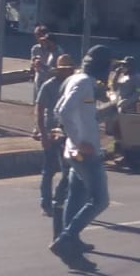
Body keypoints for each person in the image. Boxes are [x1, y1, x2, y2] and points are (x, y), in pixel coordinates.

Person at [49, 45, 114, 259]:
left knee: (76, 195)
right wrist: (78, 141)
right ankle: (66, 238)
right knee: (100, 200)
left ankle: (72, 240)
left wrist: (103, 112)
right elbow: (63, 110)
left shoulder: (78, 80)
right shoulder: (85, 83)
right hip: (84, 152)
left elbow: (80, 111)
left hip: (75, 152)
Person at [35, 53, 76, 221]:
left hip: (67, 132)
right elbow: (39, 110)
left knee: (67, 170)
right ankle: (46, 203)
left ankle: (59, 198)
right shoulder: (48, 85)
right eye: (66, 70)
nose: (69, 72)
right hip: (52, 132)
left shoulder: (72, 86)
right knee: (49, 170)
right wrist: (43, 134)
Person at [29, 26, 61, 96]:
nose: (38, 39)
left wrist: (41, 64)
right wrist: (34, 64)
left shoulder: (57, 53)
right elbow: (33, 64)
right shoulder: (36, 49)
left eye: (46, 41)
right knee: (39, 100)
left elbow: (54, 70)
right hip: (40, 78)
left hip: (52, 82)